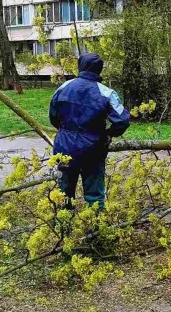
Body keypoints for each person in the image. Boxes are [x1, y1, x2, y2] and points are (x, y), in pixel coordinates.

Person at [49, 53, 130, 208]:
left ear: (80, 66)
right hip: (93, 148)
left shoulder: (64, 87)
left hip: (64, 146)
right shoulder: (107, 93)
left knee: (64, 190)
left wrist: (65, 130)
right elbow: (122, 120)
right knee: (94, 194)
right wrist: (109, 134)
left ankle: (63, 227)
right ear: (99, 70)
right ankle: (96, 227)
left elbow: (53, 116)